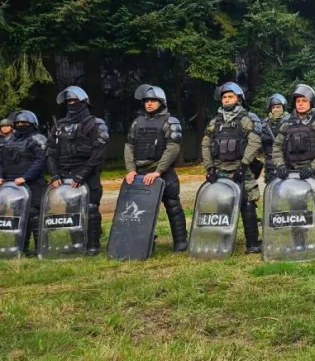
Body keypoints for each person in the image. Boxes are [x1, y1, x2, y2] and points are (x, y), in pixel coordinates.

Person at [271, 84, 315, 253]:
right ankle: (299, 241)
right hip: (293, 172)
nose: (300, 104)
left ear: (311, 102)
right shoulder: (286, 122)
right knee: (296, 207)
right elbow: (277, 146)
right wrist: (280, 165)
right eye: (298, 101)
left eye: (304, 100)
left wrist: (314, 166)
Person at [201, 82, 264, 253]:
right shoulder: (215, 121)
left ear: (238, 99)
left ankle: (252, 243)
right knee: (221, 204)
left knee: (248, 203)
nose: (227, 99)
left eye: (230, 96)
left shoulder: (246, 119)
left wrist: (244, 164)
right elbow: (206, 145)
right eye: (224, 97)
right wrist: (210, 167)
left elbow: (254, 142)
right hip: (220, 168)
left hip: (241, 168)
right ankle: (222, 242)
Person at [124, 85, 187, 251]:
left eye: (153, 100)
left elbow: (173, 148)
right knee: (139, 210)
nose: (149, 104)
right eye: (146, 101)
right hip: (140, 172)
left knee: (173, 205)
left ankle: (181, 242)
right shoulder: (137, 123)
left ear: (161, 102)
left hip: (163, 173)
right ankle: (143, 244)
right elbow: (129, 146)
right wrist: (131, 169)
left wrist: (158, 171)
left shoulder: (170, 122)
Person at [47, 86, 110, 255]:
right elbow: (51, 151)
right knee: (71, 211)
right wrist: (54, 173)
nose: (71, 104)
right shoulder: (59, 126)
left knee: (91, 209)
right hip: (65, 175)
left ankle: (93, 245)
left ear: (84, 102)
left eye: (75, 101)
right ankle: (76, 244)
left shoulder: (95, 124)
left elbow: (99, 153)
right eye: (68, 102)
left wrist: (83, 174)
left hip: (88, 174)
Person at [0, 111, 48, 255]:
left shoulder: (38, 139)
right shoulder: (7, 141)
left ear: (32, 124)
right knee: (17, 215)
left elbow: (40, 161)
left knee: (35, 215)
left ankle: (41, 249)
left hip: (33, 183)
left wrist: (26, 177)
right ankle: (21, 249)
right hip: (12, 185)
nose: (21, 125)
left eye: (24, 123)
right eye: (18, 123)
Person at [262, 93, 290, 177]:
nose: (275, 109)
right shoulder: (265, 123)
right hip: (270, 163)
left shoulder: (290, 121)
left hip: (286, 163)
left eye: (278, 107)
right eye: (273, 107)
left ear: (283, 108)